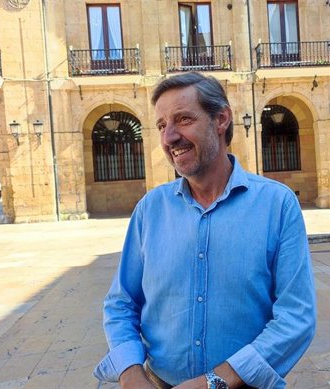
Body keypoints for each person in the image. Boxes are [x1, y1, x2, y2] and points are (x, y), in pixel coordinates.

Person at [93, 72, 316, 389]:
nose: (169, 137)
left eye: (183, 119)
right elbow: (121, 303)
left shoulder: (277, 205)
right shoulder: (149, 210)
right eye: (161, 126)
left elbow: (297, 317)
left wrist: (217, 380)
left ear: (221, 119)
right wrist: (130, 374)